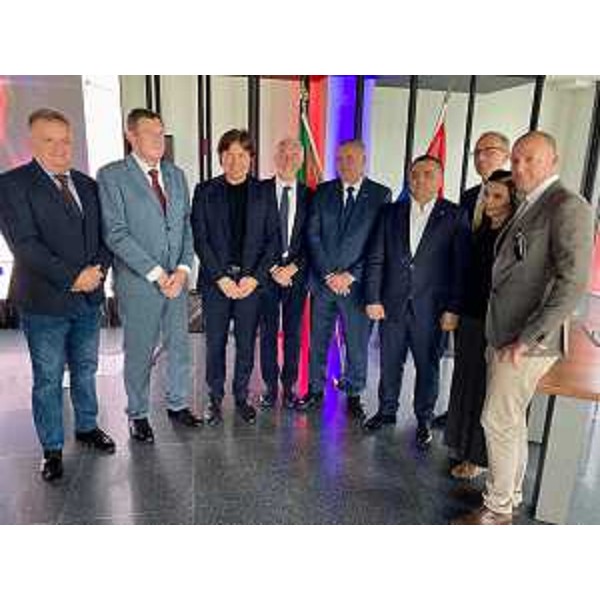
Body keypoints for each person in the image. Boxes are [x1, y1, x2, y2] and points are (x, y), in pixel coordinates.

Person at [454, 131, 594, 524]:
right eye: (516, 159)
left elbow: (572, 284)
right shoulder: (530, 203)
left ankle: (497, 510)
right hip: (504, 332)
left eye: (530, 158)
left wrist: (526, 340)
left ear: (553, 161)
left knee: (496, 420)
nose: (520, 166)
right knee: (511, 420)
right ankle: (510, 494)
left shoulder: (568, 206)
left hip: (524, 340)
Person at [0, 108, 115, 481]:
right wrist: (73, 277)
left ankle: (87, 427)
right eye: (49, 141)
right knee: (48, 378)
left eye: (65, 140)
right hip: (44, 303)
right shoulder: (12, 185)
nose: (60, 148)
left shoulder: (88, 185)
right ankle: (51, 448)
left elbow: (106, 237)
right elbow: (25, 245)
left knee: (86, 368)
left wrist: (97, 273)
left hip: (88, 299)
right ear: (32, 143)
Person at [97, 108, 201, 444]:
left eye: (161, 132)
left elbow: (185, 227)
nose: (159, 139)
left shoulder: (176, 175)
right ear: (131, 136)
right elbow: (115, 233)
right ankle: (138, 414)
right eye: (149, 133)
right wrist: (157, 274)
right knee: (139, 351)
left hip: (177, 282)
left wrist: (183, 270)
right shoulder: (112, 176)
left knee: (179, 346)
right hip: (139, 283)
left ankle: (177, 403)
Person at [363, 155, 470, 448]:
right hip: (392, 305)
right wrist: (372, 297)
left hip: (432, 309)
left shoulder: (455, 215)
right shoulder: (389, 212)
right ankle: (386, 411)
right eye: (415, 174)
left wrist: (453, 308)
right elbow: (375, 258)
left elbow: (460, 268)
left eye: (428, 174)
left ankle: (424, 418)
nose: (420, 179)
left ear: (439, 179)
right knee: (389, 362)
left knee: (427, 366)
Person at [295, 140, 391, 418]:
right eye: (339, 159)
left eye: (350, 158)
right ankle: (315, 390)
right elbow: (312, 235)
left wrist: (351, 275)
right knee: (318, 340)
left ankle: (353, 394)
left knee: (357, 343)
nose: (344, 164)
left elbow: (378, 243)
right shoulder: (322, 191)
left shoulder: (380, 195)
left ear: (363, 161)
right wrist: (328, 274)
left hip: (357, 287)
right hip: (323, 284)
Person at [191, 129, 280, 425]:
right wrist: (221, 278)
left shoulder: (264, 193)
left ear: (250, 158)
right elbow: (200, 239)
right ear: (220, 157)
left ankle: (241, 396)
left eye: (242, 155)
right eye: (229, 154)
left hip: (250, 284)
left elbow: (273, 241)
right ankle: (214, 399)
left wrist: (254, 279)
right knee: (215, 343)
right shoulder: (205, 191)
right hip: (216, 283)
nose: (235, 161)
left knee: (245, 344)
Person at [445, 170, 516, 479]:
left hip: (496, 323)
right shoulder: (481, 228)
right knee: (464, 383)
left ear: (513, 199)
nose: (489, 201)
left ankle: (477, 458)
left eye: (498, 196)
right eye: (488, 194)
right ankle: (461, 447)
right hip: (470, 320)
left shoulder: (514, 234)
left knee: (484, 390)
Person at [258, 138, 312, 408]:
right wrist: (273, 268)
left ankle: (289, 386)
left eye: (294, 155)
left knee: (293, 332)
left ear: (301, 160)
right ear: (275, 157)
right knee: (268, 332)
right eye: (283, 154)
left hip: (296, 276)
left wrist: (293, 267)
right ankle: (270, 387)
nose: (288, 159)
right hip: (266, 274)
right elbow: (254, 235)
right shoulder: (259, 191)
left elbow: (312, 239)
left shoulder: (311, 195)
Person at [461, 131, 510, 227]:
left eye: (489, 151)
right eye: (477, 152)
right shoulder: (467, 196)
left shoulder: (516, 194)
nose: (480, 158)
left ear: (506, 157)